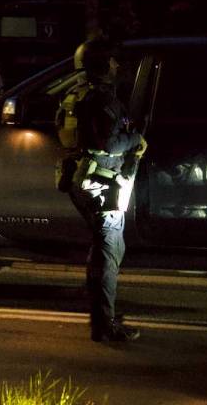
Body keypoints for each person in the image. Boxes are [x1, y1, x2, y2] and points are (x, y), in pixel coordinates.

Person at [56, 37, 147, 342]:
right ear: (102, 64)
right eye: (112, 61)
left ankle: (102, 318)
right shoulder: (101, 99)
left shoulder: (75, 94)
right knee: (108, 253)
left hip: (83, 178)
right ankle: (104, 325)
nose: (117, 66)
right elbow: (109, 143)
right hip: (102, 183)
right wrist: (135, 140)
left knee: (103, 250)